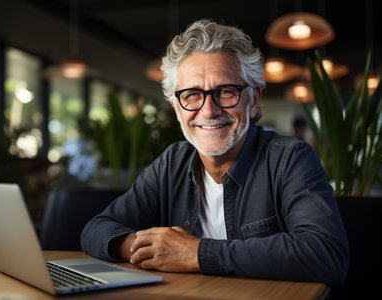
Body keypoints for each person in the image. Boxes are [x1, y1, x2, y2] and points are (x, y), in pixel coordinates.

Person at [81, 19, 349, 285]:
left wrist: (196, 253)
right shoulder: (172, 163)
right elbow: (96, 230)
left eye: (226, 92)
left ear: (253, 100)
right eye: (192, 95)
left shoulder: (290, 159)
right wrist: (139, 247)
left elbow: (326, 254)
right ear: (177, 108)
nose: (209, 111)